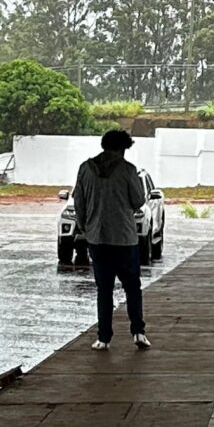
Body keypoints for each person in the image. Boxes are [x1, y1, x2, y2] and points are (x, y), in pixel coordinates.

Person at [71, 129, 152, 352]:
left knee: (104, 289)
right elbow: (138, 201)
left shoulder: (85, 169)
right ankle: (138, 332)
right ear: (122, 149)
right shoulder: (128, 170)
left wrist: (86, 227)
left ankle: (103, 338)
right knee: (132, 287)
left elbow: (79, 203)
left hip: (97, 238)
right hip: (124, 238)